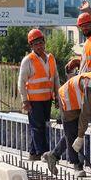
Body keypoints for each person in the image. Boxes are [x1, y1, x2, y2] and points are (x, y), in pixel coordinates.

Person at [43, 0, 91, 175]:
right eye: (82, 26)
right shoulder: (88, 44)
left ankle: (55, 155)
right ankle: (74, 163)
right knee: (73, 130)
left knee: (74, 129)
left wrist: (89, 10)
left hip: (90, 90)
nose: (84, 28)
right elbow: (90, 65)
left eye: (87, 24)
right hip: (79, 93)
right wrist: (79, 61)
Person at [17, 29, 60, 161]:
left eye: (41, 43)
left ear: (44, 42)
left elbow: (56, 78)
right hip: (34, 101)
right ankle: (43, 153)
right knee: (38, 127)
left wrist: (58, 97)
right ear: (31, 46)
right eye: (36, 45)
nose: (39, 46)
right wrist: (25, 101)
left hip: (47, 99)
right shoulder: (28, 60)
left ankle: (33, 153)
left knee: (43, 126)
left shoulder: (51, 58)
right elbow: (21, 82)